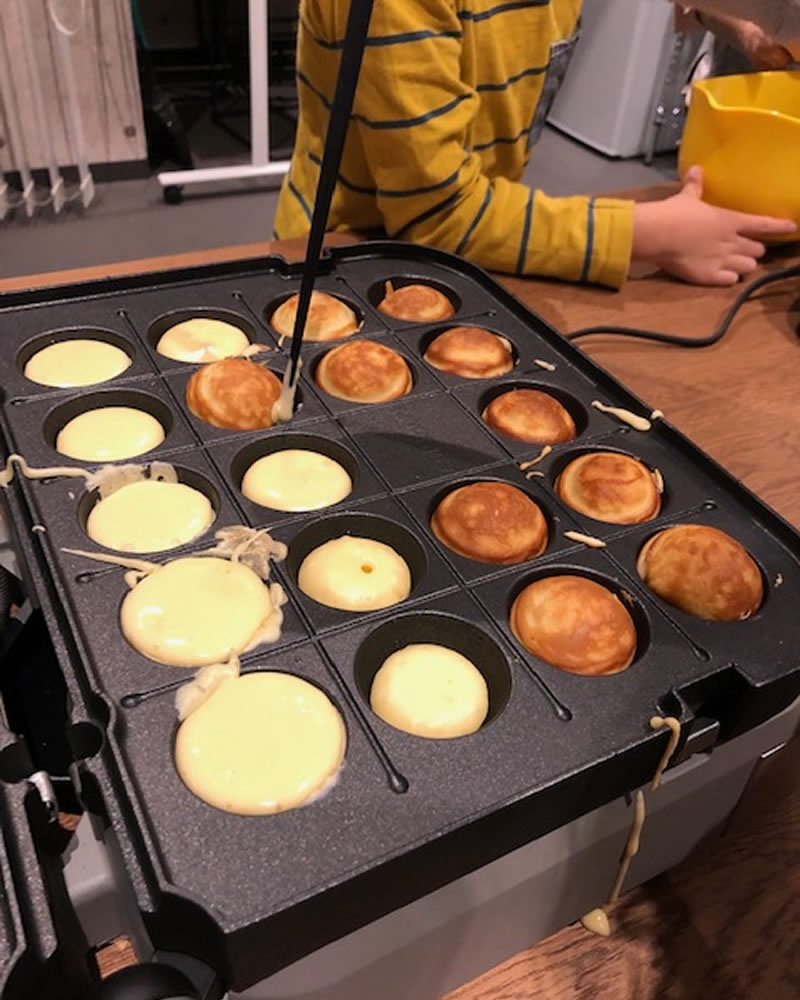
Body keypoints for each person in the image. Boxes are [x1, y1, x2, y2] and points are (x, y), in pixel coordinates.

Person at [274, 1, 796, 289]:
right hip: (346, 261)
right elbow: (438, 215)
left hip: (477, 250)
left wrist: (751, 23)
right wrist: (648, 234)